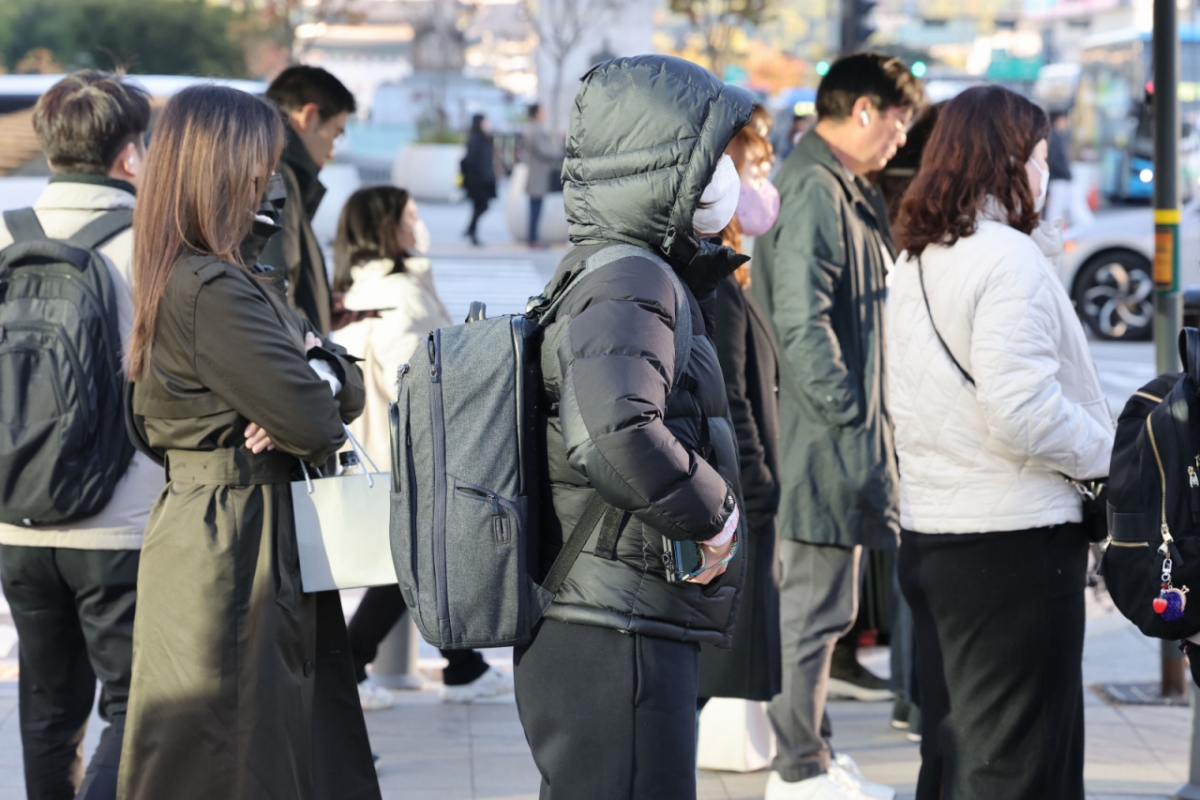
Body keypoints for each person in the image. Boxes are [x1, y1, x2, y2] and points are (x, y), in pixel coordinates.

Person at [117, 85, 379, 800]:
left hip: (229, 527)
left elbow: (336, 380)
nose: (268, 180)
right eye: (259, 164)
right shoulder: (214, 288)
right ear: (220, 168)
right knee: (231, 750)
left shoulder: (213, 275)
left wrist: (315, 372)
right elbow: (315, 421)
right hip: (232, 539)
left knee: (238, 743)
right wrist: (312, 379)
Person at [516, 54, 750, 800]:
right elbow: (613, 432)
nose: (728, 173)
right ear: (663, 166)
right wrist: (710, 513)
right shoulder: (631, 277)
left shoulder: (615, 269)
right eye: (711, 155)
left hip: (609, 609)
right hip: (617, 621)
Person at [889, 85, 1113, 800]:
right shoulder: (1006, 260)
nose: (1047, 173)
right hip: (1013, 547)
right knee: (1020, 764)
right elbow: (1022, 413)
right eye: (1041, 157)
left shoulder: (916, 259)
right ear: (1008, 160)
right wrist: (1112, 455)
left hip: (935, 536)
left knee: (955, 755)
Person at [751, 52, 922, 800]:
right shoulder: (817, 191)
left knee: (822, 610)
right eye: (899, 121)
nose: (901, 138)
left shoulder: (834, 184)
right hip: (822, 442)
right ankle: (800, 769)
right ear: (863, 111)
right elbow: (802, 325)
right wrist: (855, 421)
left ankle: (813, 752)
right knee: (813, 614)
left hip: (831, 437)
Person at [0, 70, 158, 800]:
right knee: (135, 705)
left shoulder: (5, 233)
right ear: (129, 157)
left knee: (46, 708)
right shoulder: (150, 246)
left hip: (17, 517)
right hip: (119, 524)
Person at [331, 186, 514, 708]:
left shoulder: (352, 291)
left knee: (416, 564)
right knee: (416, 564)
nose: (420, 225)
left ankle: (462, 666)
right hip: (408, 458)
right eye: (411, 216)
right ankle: (357, 661)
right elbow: (418, 385)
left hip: (373, 454)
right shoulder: (404, 294)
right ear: (387, 228)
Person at [698, 118, 783, 709]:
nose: (764, 185)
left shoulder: (727, 272)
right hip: (739, 496)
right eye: (755, 171)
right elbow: (733, 398)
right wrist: (758, 488)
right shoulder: (717, 281)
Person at [262, 65, 357, 336]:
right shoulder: (275, 174)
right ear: (310, 116)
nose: (330, 152)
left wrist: (319, 309)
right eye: (335, 134)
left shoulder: (268, 162)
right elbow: (275, 290)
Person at [1045, 110, 1094, 227]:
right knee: (1056, 214)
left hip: (1061, 180)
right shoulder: (1054, 137)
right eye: (1065, 120)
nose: (1066, 123)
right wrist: (1067, 174)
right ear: (1058, 120)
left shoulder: (1056, 136)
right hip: (1059, 180)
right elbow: (1055, 161)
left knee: (1065, 211)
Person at [523, 103, 562, 247]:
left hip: (537, 174)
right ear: (537, 113)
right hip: (537, 175)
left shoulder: (534, 129)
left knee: (536, 207)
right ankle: (533, 239)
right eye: (542, 111)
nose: (544, 113)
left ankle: (533, 237)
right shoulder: (535, 130)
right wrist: (559, 155)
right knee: (535, 208)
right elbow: (544, 151)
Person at [462, 114, 497, 246]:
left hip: (484, 179)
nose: (487, 124)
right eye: (485, 122)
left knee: (479, 207)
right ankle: (471, 231)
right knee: (481, 206)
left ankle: (471, 230)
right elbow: (471, 161)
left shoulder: (484, 138)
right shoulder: (475, 139)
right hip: (477, 181)